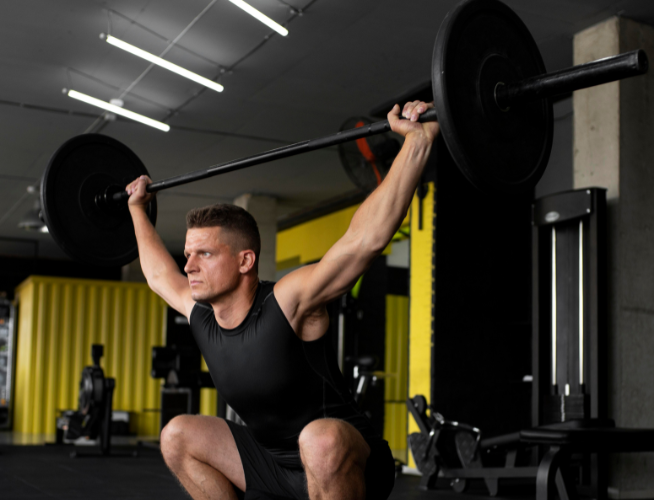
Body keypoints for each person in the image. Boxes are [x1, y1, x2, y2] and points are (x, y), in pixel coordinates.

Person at [124, 101, 439, 500]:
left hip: (348, 462)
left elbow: (363, 242)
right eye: (188, 254)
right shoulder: (200, 312)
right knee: (177, 435)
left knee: (318, 439)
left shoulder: (288, 301)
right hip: (273, 464)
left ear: (245, 261)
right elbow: (157, 275)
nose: (189, 265)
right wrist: (136, 209)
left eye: (204, 253)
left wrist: (416, 143)